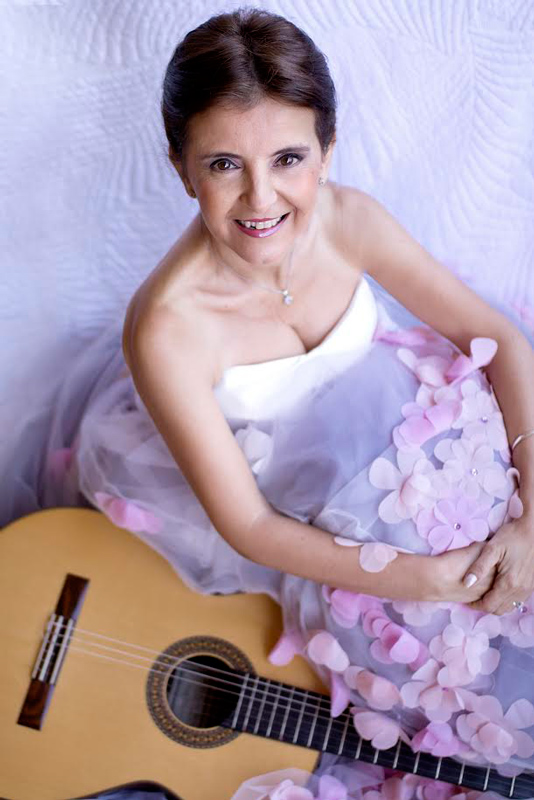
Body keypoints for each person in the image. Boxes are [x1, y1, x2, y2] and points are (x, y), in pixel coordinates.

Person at [45, 7, 534, 797]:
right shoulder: (168, 328)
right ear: (181, 168)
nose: (260, 197)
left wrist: (529, 516)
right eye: (224, 164)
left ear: (327, 150)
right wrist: (424, 581)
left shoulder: (348, 220)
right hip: (367, 577)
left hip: (484, 478)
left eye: (289, 158)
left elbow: (499, 340)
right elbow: (249, 524)